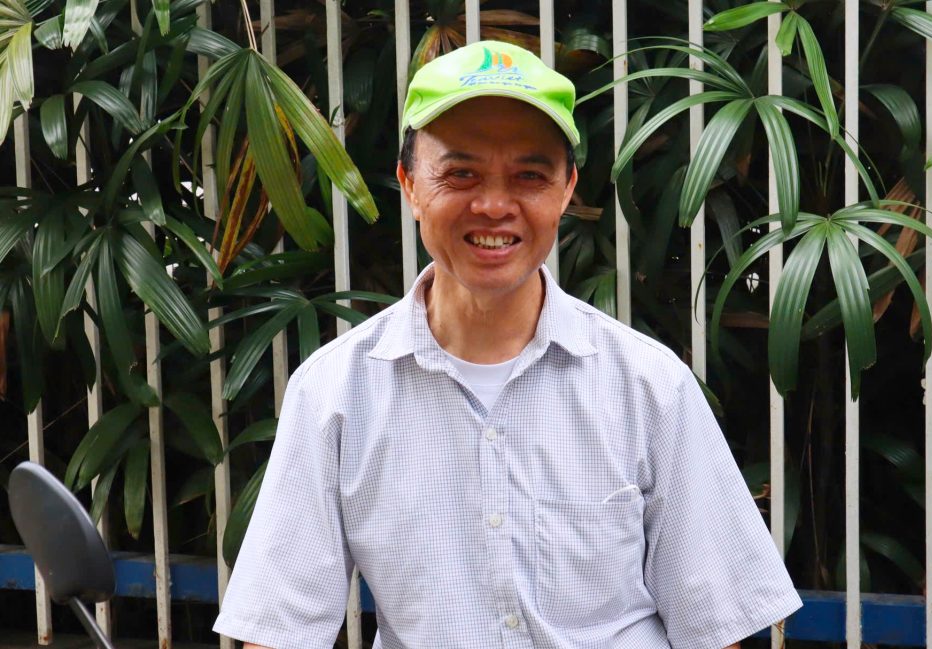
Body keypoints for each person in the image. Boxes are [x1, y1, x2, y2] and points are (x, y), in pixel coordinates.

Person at [213, 40, 802, 649]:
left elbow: (716, 628)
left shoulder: (650, 386)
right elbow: (277, 630)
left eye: (529, 176)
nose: (494, 206)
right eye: (460, 173)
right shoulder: (334, 392)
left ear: (567, 190)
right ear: (410, 185)